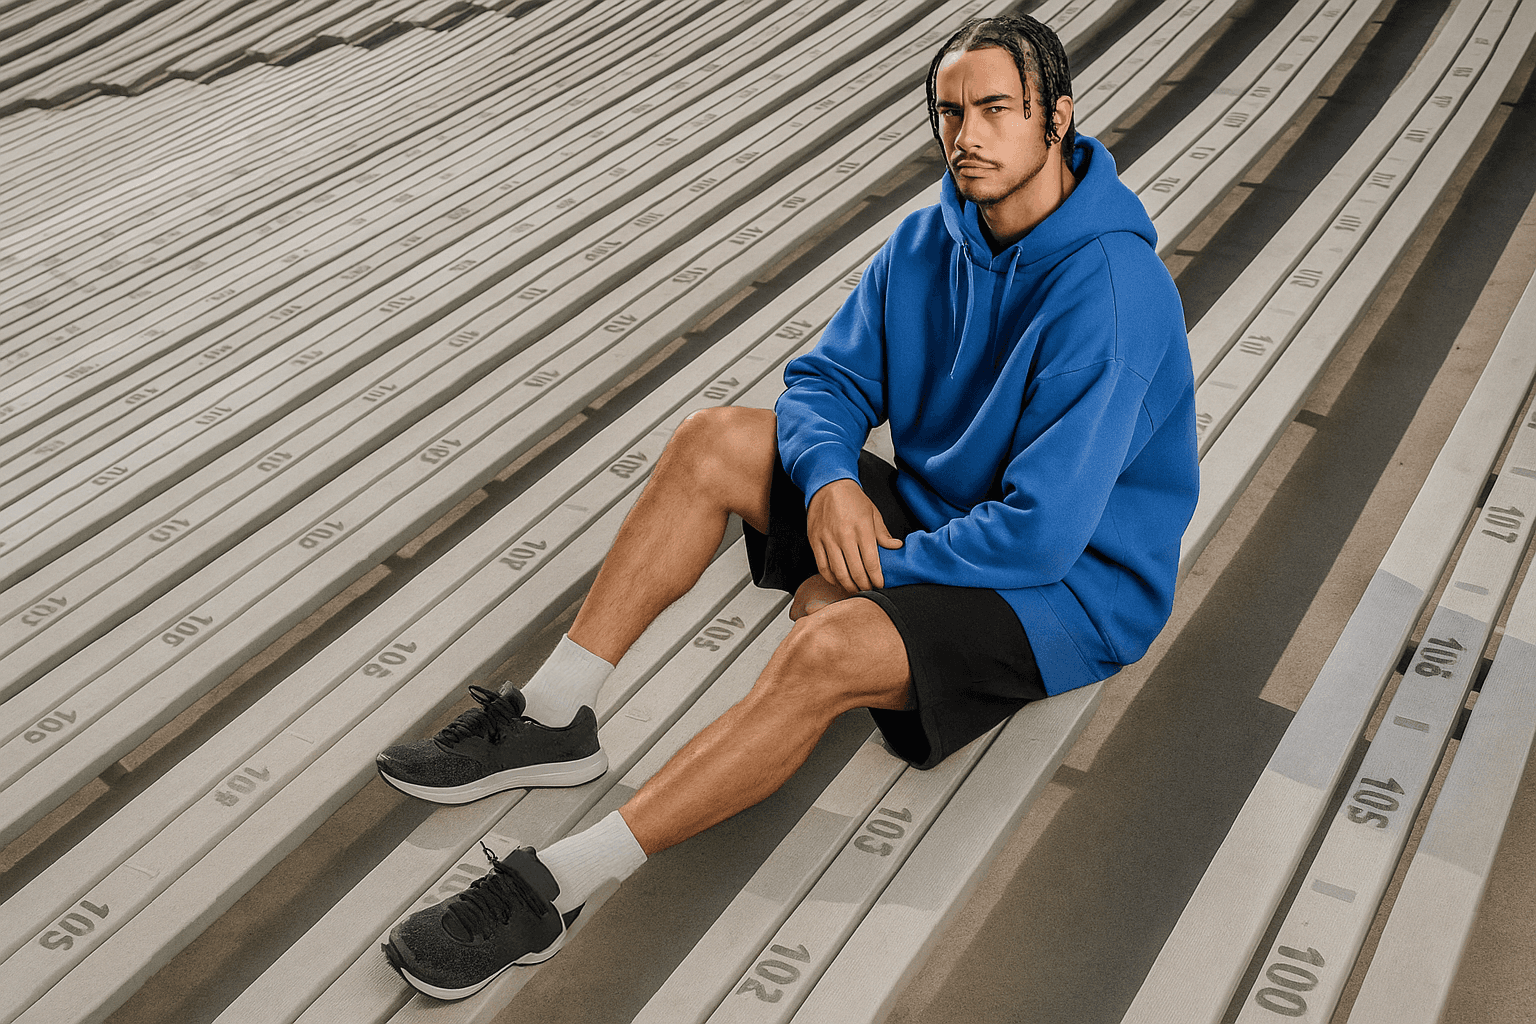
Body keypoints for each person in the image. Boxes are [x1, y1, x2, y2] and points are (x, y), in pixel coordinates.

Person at [374, 13, 1199, 1000]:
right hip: (937, 517)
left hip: (1067, 593)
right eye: (950, 112)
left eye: (995, 110)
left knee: (824, 648)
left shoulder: (1112, 292)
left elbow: (1043, 532)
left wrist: (873, 575)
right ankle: (554, 717)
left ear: (1057, 118)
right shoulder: (931, 239)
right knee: (714, 440)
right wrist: (841, 490)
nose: (967, 135)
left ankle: (559, 883)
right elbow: (823, 384)